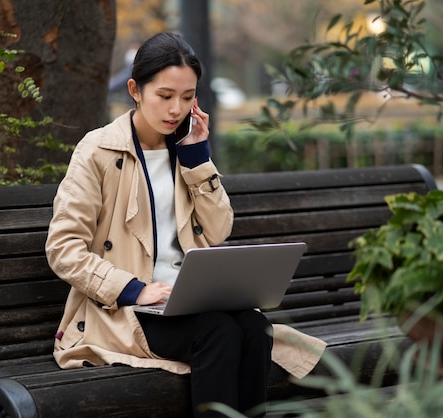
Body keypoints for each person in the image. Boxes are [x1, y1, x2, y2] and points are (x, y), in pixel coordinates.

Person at [46, 32, 326, 418]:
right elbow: (63, 249)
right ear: (135, 90)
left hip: (189, 296)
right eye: (165, 95)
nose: (176, 108)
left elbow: (218, 231)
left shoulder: (186, 149)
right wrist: (133, 289)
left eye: (187, 96)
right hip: (125, 309)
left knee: (254, 328)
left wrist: (197, 161)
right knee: (219, 332)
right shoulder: (98, 151)